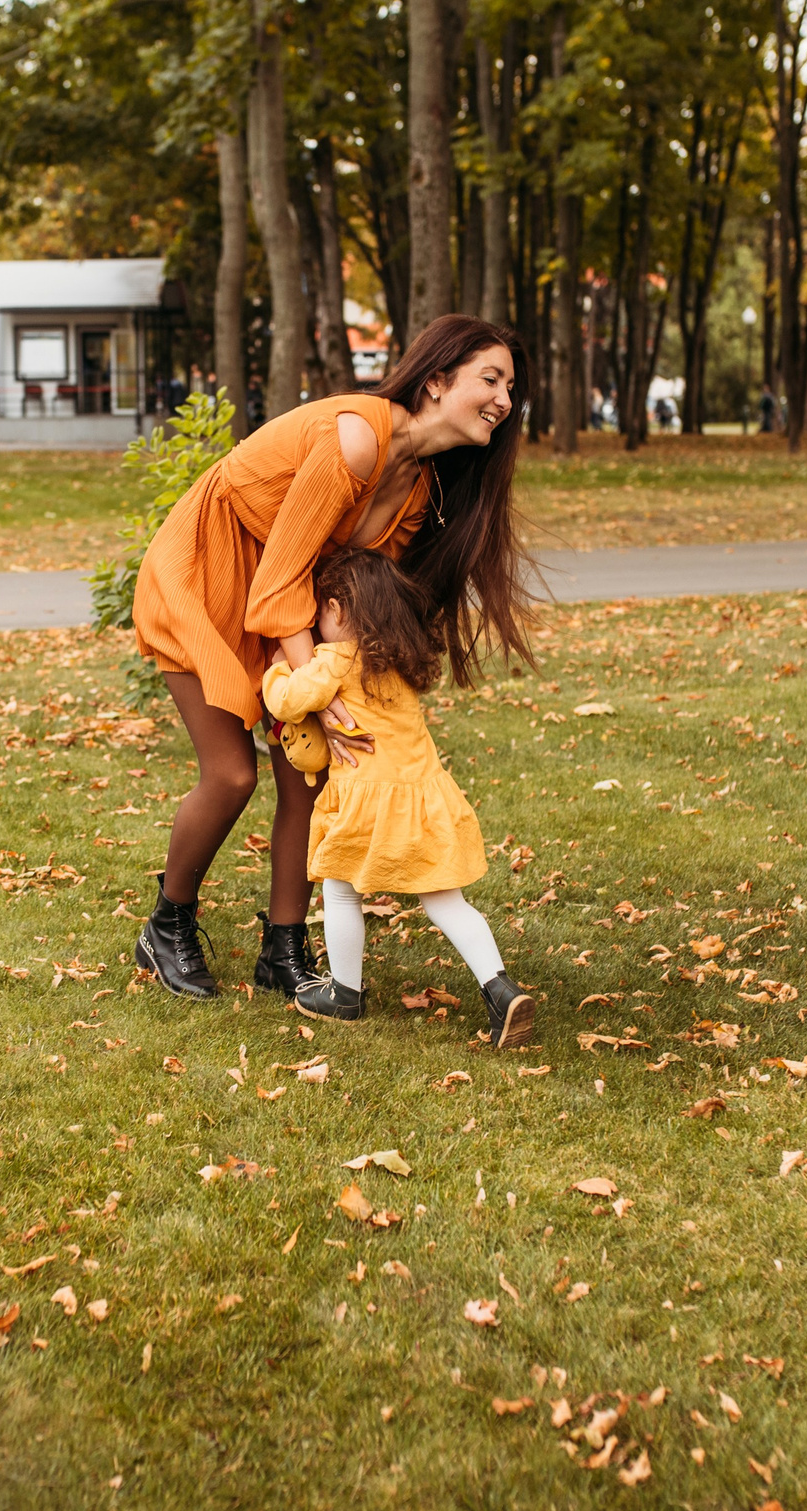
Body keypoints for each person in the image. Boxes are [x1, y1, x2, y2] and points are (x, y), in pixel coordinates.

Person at [129, 315, 536, 1005]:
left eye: (510, 387)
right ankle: (168, 924)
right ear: (436, 381)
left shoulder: (416, 490)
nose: (503, 399)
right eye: (488, 379)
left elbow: (339, 590)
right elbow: (279, 579)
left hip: (283, 605)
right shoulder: (355, 438)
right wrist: (321, 689)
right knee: (230, 775)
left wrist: (350, 686)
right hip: (210, 576)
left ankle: (282, 949)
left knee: (311, 777)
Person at [262, 545, 535, 1046]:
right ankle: (500, 990)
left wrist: (280, 666)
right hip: (424, 797)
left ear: (337, 610)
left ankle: (344, 992)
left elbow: (287, 699)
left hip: (367, 803)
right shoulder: (399, 659)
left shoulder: (333, 660)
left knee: (342, 888)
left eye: (321, 608)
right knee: (447, 901)